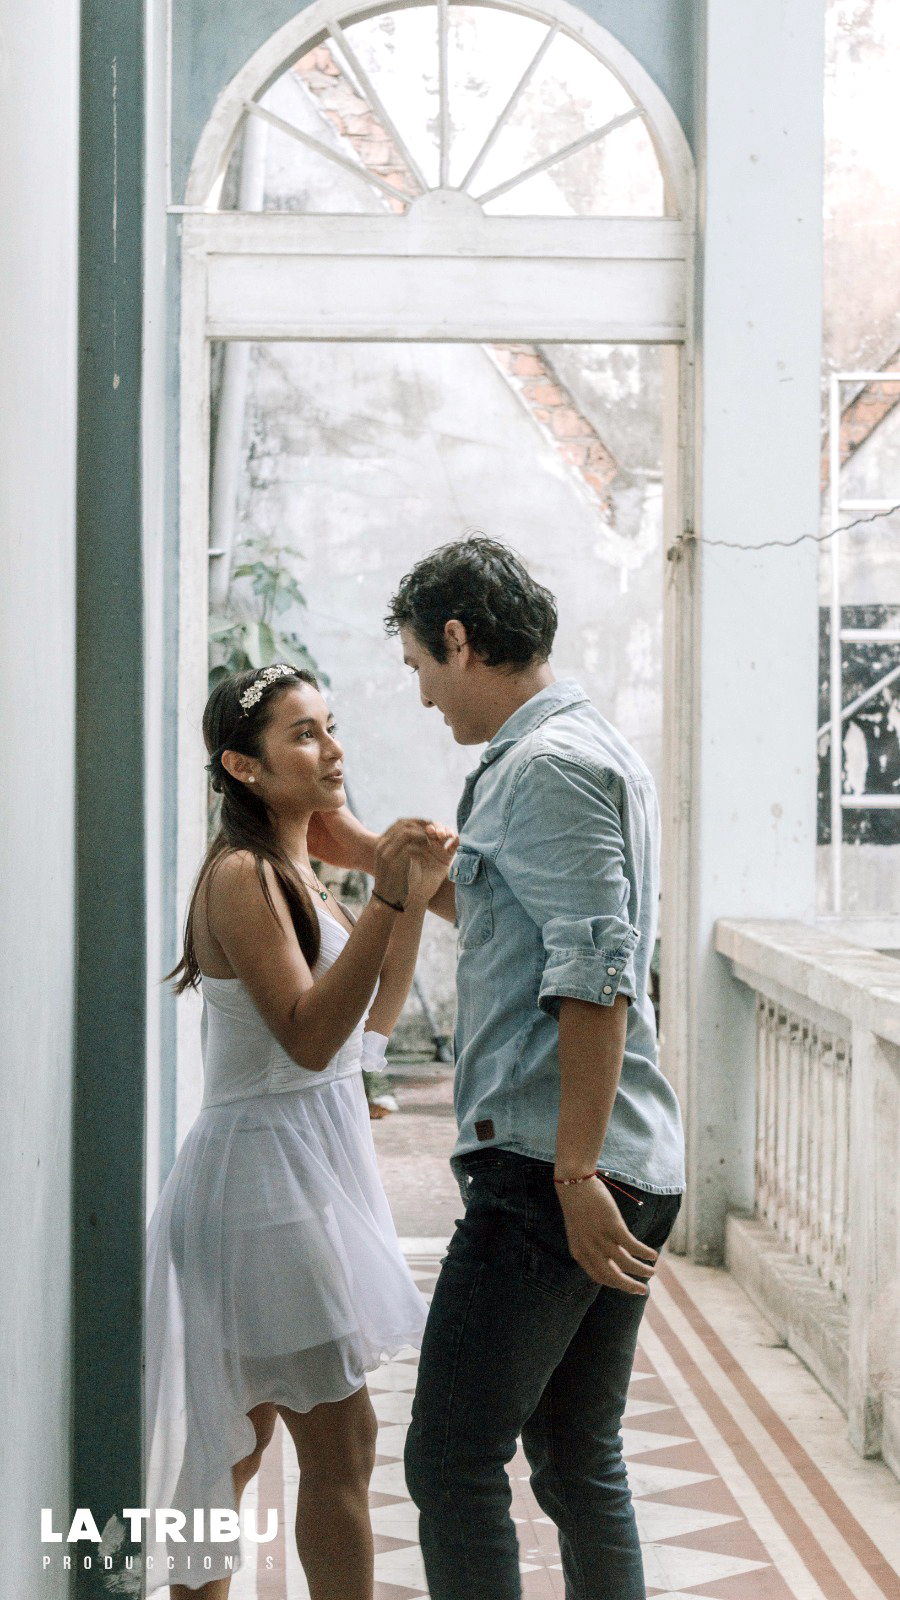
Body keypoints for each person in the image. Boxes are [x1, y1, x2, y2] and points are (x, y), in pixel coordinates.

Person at [319, 537, 686, 1600]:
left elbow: (596, 975)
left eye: (420, 667)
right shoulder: (576, 747)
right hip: (606, 1156)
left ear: (459, 638)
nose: (424, 695)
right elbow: (510, 920)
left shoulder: (547, 767)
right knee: (575, 1459)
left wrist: (574, 1172)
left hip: (550, 1169)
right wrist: (370, 852)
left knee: (450, 1460)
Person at [144, 662, 456, 1600]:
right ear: (243, 767)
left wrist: (404, 896)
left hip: (294, 1175)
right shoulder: (243, 877)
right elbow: (310, 1039)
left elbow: (367, 1030)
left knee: (237, 1441)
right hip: (263, 1186)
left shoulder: (298, 873)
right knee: (338, 1440)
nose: (333, 750)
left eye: (330, 725)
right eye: (305, 734)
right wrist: (389, 897)